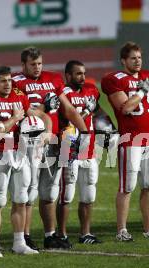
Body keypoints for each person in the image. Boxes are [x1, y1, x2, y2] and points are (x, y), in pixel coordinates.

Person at [12, 46, 90, 249]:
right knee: (29, 190)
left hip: (53, 140)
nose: (37, 68)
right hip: (30, 143)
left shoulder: (53, 79)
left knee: (50, 191)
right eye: (32, 64)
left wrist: (85, 132)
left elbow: (68, 108)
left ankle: (50, 235)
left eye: (39, 63)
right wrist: (44, 111)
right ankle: (25, 236)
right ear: (23, 65)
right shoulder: (15, 82)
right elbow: (22, 110)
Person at [0, 66, 52, 257]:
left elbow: (38, 116)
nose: (8, 84)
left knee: (21, 199)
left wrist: (47, 129)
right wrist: (15, 118)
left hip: (20, 153)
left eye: (10, 80)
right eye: (3, 81)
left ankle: (19, 242)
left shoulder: (19, 96)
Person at [101, 42, 149, 241]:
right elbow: (126, 108)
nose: (137, 61)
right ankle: (122, 230)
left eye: (139, 57)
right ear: (123, 60)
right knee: (127, 186)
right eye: (132, 58)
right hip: (130, 140)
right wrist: (142, 92)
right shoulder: (114, 79)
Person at [56, 60, 103, 245]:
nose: (82, 77)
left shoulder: (91, 90)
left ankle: (85, 234)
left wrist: (108, 125)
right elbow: (68, 120)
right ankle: (62, 234)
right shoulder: (63, 93)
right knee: (66, 195)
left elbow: (98, 110)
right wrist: (85, 111)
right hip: (70, 149)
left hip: (89, 149)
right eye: (78, 74)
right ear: (68, 76)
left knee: (89, 194)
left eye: (83, 73)